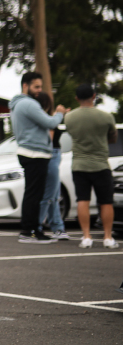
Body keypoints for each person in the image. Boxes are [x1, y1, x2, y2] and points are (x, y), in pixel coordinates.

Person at [9, 72, 69, 243]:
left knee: (33, 193)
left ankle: (32, 230)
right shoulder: (28, 104)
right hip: (35, 154)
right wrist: (59, 113)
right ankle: (29, 231)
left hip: (29, 153)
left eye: (40, 87)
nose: (39, 91)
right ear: (25, 86)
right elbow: (50, 123)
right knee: (34, 195)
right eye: (36, 87)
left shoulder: (18, 104)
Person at [64, 83, 118, 249]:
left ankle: (86, 237)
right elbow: (113, 138)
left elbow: (71, 134)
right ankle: (108, 237)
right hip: (101, 164)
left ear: (76, 98)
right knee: (106, 201)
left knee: (83, 200)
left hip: (79, 165)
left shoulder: (70, 117)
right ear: (94, 96)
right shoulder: (106, 116)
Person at [35, 93, 69, 239]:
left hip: (54, 155)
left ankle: (57, 227)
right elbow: (49, 138)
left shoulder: (47, 118)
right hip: (50, 155)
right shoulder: (47, 120)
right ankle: (38, 226)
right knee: (50, 194)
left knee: (54, 194)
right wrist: (58, 116)